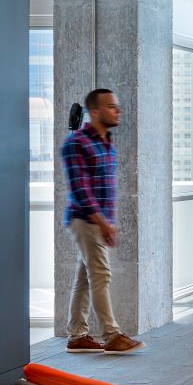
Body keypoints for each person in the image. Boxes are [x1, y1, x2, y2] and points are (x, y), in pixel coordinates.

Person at [60, 89, 141, 354]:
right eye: (111, 106)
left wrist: (108, 222)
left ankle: (77, 335)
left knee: (85, 277)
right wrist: (101, 223)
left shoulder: (106, 143)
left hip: (98, 220)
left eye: (117, 106)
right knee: (100, 274)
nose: (118, 110)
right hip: (85, 219)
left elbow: (105, 189)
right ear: (94, 112)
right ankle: (111, 335)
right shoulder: (77, 143)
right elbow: (80, 190)